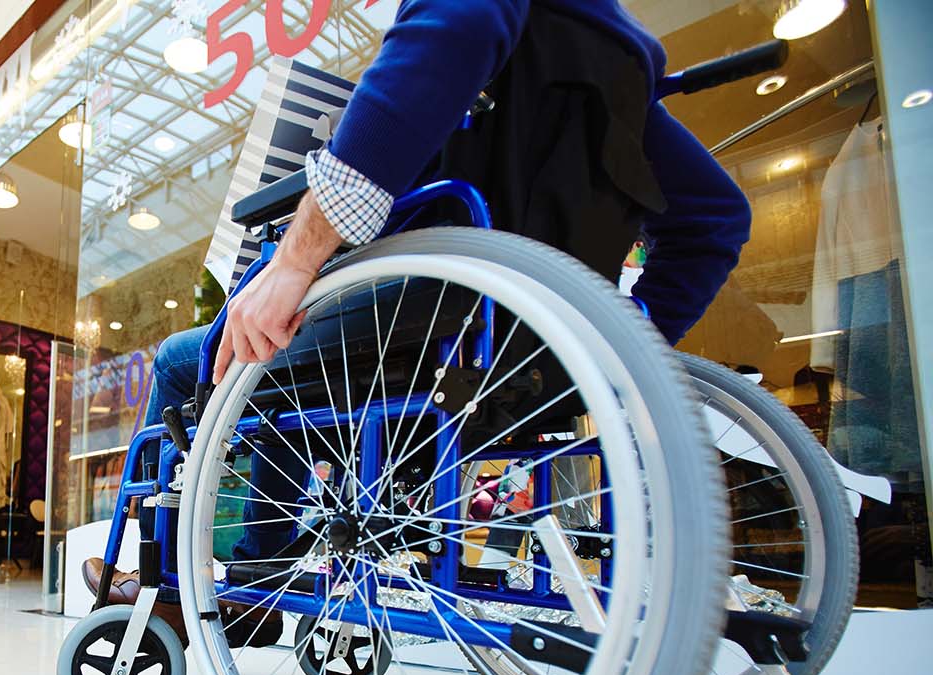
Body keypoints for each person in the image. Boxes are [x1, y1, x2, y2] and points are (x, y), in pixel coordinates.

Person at [84, 0, 753, 628]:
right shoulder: (619, 65)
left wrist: (294, 260)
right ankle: (260, 568)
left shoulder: (531, 38)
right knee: (295, 362)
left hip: (429, 325)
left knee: (184, 359)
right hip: (518, 354)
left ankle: (162, 588)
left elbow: (450, 35)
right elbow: (717, 218)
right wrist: (616, 347)